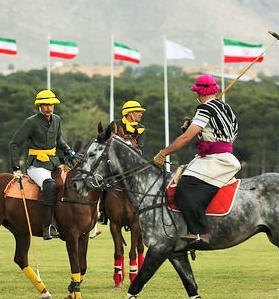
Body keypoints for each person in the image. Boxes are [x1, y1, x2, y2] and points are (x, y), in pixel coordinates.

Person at [153, 74, 240, 246]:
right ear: (214, 89)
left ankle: (200, 232)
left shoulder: (205, 109)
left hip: (216, 159)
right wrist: (193, 124)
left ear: (198, 93)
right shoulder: (225, 107)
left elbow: (186, 138)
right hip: (224, 156)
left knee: (184, 188)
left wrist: (163, 153)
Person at [9, 89, 76, 241]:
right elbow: (14, 143)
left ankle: (67, 222)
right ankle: (48, 227)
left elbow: (59, 141)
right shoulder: (31, 122)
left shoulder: (57, 119)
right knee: (50, 185)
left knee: (71, 184)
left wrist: (68, 150)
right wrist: (15, 167)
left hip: (53, 163)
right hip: (36, 165)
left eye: (51, 104)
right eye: (45, 104)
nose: (49, 107)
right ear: (39, 105)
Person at [97, 100, 147, 225]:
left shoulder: (141, 128)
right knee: (104, 182)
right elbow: (107, 143)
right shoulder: (114, 124)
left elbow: (140, 147)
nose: (141, 114)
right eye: (138, 111)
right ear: (129, 113)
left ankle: (146, 210)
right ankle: (103, 211)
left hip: (134, 162)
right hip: (115, 161)